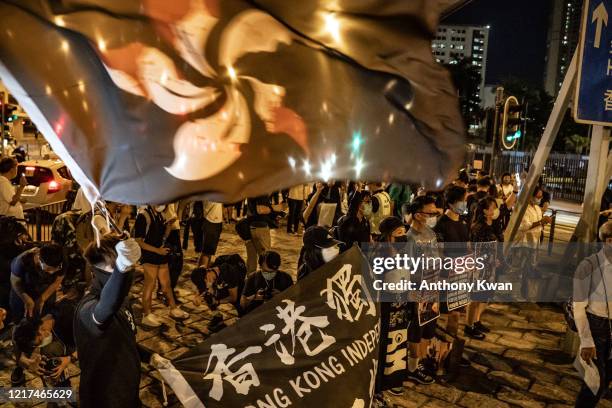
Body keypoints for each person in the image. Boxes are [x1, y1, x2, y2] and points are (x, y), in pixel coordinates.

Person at [75, 235, 142, 408]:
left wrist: (152, 357)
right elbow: (104, 310)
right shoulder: (86, 308)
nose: (129, 272)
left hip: (129, 394)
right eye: (118, 269)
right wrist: (122, 268)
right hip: (104, 399)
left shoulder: (123, 302)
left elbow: (123, 340)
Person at [434, 185, 482, 347]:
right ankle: (444, 350)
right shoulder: (442, 224)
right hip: (448, 276)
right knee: (451, 314)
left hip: (461, 275)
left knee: (456, 314)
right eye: (462, 200)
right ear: (452, 202)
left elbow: (467, 246)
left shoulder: (462, 222)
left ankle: (450, 348)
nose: (464, 204)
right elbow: (439, 254)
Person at [573, 221, 612, 407]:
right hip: (596, 326)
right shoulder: (588, 265)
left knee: (605, 380)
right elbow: (578, 306)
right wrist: (586, 341)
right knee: (595, 383)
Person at [405, 198, 441, 384]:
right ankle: (412, 368)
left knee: (429, 326)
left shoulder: (430, 232)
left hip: (432, 288)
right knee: (416, 330)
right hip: (418, 290)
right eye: (430, 213)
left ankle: (423, 360)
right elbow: (408, 269)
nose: (433, 216)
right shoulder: (409, 237)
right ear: (418, 214)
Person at [134, 205, 189, 327]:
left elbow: (163, 236)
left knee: (166, 284)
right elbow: (138, 241)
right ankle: (146, 314)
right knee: (150, 284)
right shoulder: (143, 216)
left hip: (161, 253)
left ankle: (173, 309)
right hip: (150, 255)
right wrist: (156, 250)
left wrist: (169, 225)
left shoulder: (161, 214)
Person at [13, 310, 77, 393]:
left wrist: (69, 359)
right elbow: (16, 336)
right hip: (61, 337)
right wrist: (26, 362)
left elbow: (92, 344)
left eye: (38, 342)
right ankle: (58, 384)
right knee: (46, 360)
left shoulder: (69, 321)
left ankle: (64, 387)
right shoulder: (29, 322)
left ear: (40, 331)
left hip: (76, 342)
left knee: (49, 352)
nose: (37, 347)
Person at [466, 197, 503, 338]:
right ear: (485, 211)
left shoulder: (493, 224)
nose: (495, 210)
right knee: (474, 298)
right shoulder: (479, 227)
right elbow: (477, 251)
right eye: (493, 207)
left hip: (489, 269)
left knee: (482, 297)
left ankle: (476, 321)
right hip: (479, 269)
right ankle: (469, 326)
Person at [509, 186, 552, 299]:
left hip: (534, 243)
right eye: (538, 196)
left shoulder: (537, 208)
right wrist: (541, 221)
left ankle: (524, 292)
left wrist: (544, 222)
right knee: (517, 268)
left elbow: (538, 224)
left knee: (529, 269)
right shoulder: (522, 208)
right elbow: (524, 226)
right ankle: (513, 293)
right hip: (522, 242)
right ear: (530, 196)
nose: (540, 198)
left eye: (541, 196)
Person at [191, 254, 247, 330]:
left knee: (240, 305)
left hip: (237, 284)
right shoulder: (204, 272)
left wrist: (217, 302)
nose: (206, 286)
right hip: (224, 281)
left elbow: (233, 297)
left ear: (207, 276)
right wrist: (197, 296)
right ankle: (217, 317)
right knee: (208, 295)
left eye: (205, 283)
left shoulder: (229, 272)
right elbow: (201, 287)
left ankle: (243, 315)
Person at [10, 244, 64, 322]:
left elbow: (57, 281)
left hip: (45, 289)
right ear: (39, 258)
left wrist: (42, 299)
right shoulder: (21, 260)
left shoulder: (60, 258)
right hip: (22, 290)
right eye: (48, 269)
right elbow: (15, 281)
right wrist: (26, 299)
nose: (52, 273)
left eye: (55, 269)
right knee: (21, 320)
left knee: (43, 319)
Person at [197, 200, 224, 268]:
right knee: (206, 252)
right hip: (211, 221)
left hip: (214, 221)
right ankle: (201, 274)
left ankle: (203, 272)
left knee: (208, 252)